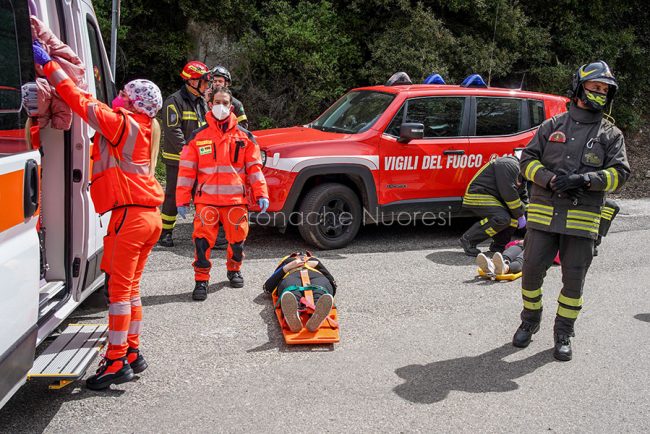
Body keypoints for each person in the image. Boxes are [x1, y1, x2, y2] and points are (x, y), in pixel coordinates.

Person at [34, 42, 164, 389]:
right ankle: (132, 352)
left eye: (123, 94)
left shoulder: (123, 123)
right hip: (148, 217)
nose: (117, 97)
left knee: (119, 295)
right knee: (132, 291)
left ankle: (115, 360)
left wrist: (49, 67)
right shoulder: (145, 129)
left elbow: (80, 101)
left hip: (130, 218)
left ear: (134, 102)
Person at [514, 60, 630, 361]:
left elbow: (620, 174)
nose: (600, 93)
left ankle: (563, 331)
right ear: (579, 88)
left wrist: (588, 179)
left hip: (582, 222)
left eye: (605, 90)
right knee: (530, 274)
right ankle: (530, 320)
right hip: (543, 217)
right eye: (595, 87)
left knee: (573, 282)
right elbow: (527, 161)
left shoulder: (611, 134)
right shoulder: (552, 126)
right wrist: (550, 179)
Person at [177, 86, 269, 299]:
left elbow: (254, 169)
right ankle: (201, 280)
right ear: (209, 104)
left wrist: (261, 193)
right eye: (217, 102)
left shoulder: (245, 137)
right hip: (206, 200)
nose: (221, 106)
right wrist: (181, 199)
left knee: (237, 242)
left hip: (236, 201)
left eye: (225, 103)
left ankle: (234, 269)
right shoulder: (198, 136)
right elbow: (186, 171)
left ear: (231, 105)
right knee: (202, 242)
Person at [158, 61, 211, 247]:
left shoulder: (202, 102)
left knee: (201, 195)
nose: (207, 86)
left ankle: (203, 231)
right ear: (192, 81)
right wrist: (189, 154)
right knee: (173, 195)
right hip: (178, 159)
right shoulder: (174, 101)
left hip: (200, 159)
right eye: (204, 82)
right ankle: (165, 232)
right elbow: (173, 131)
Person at [459, 155, 528, 256]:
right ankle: (468, 240)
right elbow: (508, 193)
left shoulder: (522, 175)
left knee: (513, 219)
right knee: (502, 218)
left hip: (496, 198)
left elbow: (523, 198)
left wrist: (527, 217)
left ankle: (499, 246)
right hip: (479, 194)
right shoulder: (508, 164)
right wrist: (520, 214)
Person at [263, 251, 337, 332]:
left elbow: (332, 282)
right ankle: (294, 316)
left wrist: (318, 265)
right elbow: (267, 287)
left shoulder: (314, 260)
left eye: (305, 254)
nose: (301, 254)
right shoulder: (287, 261)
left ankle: (316, 316)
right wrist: (288, 267)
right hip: (292, 274)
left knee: (320, 290)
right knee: (291, 292)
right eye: (297, 254)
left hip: (316, 275)